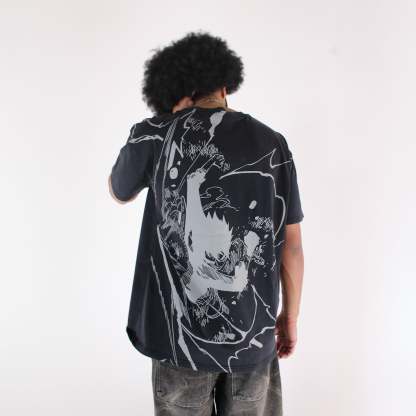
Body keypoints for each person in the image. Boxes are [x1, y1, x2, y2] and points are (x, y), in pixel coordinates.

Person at [108, 31, 304, 416]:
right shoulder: (272, 143)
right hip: (253, 338)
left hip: (177, 342)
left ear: (175, 88)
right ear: (226, 85)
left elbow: (118, 190)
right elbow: (292, 247)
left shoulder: (153, 134)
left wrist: (167, 118)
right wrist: (289, 318)